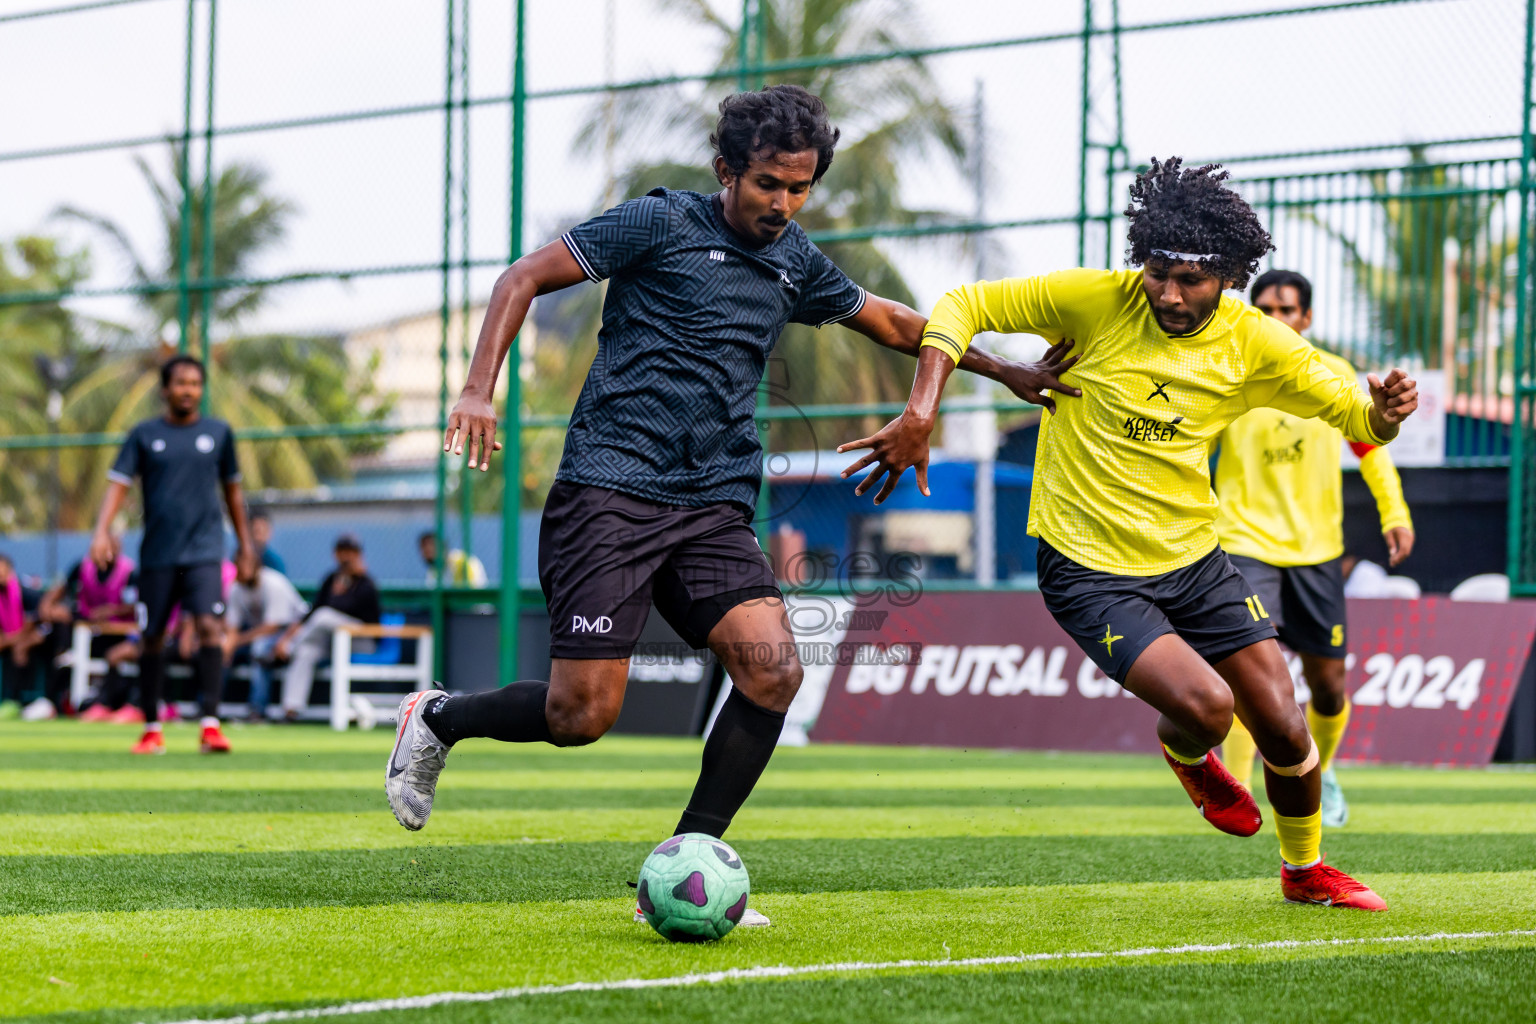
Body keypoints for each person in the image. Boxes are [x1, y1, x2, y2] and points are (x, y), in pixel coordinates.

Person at [384, 85, 1072, 929]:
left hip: (713, 505)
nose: (783, 203)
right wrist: (477, 390)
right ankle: (439, 715)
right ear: (726, 172)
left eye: (799, 187)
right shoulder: (658, 222)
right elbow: (524, 276)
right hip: (612, 488)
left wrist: (1008, 371)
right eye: (767, 186)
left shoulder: (795, 261)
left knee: (775, 671)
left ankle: (685, 864)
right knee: (581, 716)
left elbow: (894, 322)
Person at [843, 157, 1418, 911]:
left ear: (1234, 275)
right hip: (1088, 568)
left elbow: (1354, 416)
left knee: (1283, 724)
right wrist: (923, 411)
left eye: (1192, 279)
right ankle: (1186, 750)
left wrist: (1384, 410)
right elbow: (960, 304)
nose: (1170, 294)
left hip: (1194, 559)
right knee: (1210, 710)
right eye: (1157, 273)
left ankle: (1305, 871)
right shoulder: (1094, 300)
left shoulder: (1257, 345)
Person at [1214, 269, 1413, 828]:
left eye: (1287, 310)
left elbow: (1371, 446)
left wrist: (1393, 512)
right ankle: (1240, 786)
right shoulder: (1225, 368)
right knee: (1252, 670)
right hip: (1244, 542)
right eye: (1266, 309)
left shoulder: (1333, 373)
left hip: (1318, 551)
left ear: (1307, 319)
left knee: (1328, 685)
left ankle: (1324, 767)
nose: (1276, 319)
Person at [90, 355, 257, 754]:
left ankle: (211, 726)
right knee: (152, 638)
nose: (188, 390)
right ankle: (151, 728)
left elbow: (233, 492)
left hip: (205, 551)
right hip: (158, 555)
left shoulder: (219, 432)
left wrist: (245, 544)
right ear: (165, 390)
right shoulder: (144, 435)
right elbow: (118, 485)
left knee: (209, 628)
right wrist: (101, 530)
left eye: (195, 384)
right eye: (180, 383)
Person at [271, 534, 380, 720]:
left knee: (324, 616)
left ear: (358, 554)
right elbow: (312, 610)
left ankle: (288, 650)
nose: (346, 557)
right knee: (307, 651)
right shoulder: (331, 578)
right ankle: (291, 710)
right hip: (332, 642)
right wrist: (286, 636)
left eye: (350, 552)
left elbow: (346, 610)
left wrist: (339, 594)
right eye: (342, 551)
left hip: (362, 639)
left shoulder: (366, 582)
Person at [37, 531, 140, 718]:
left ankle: (107, 704)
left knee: (114, 655)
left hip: (116, 634)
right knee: (56, 633)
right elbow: (59, 590)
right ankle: (52, 700)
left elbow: (137, 605)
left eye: (115, 544)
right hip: (85, 632)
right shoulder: (82, 567)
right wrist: (48, 606)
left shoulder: (130, 572)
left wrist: (112, 610)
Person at [224, 559, 308, 722]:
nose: (241, 570)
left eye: (245, 565)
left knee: (260, 648)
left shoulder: (273, 583)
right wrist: (227, 646)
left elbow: (273, 627)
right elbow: (232, 628)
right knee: (219, 649)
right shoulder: (236, 587)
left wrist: (237, 641)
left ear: (256, 567)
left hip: (293, 633)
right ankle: (208, 709)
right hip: (258, 636)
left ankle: (257, 710)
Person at [0, 553, 45, 708]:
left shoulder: (26, 592)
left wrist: (9, 639)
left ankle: (17, 701)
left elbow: (33, 624)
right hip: (10, 637)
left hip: (38, 635)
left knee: (20, 649)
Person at [418, 530, 487, 587]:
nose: (427, 551)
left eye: (431, 546)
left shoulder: (461, 562)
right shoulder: (433, 572)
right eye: (424, 549)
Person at [250, 510, 288, 576]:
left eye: (261, 531)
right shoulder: (240, 559)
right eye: (255, 531)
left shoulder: (274, 562)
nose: (258, 537)